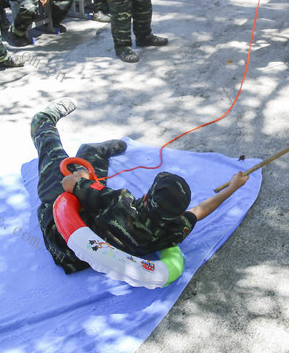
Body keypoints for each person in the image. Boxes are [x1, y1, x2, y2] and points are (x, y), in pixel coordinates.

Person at [30, 98, 250, 274]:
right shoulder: (172, 231)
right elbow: (200, 212)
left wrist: (83, 177)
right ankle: (98, 151)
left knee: (56, 157)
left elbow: (68, 183)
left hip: (61, 234)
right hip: (80, 260)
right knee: (88, 153)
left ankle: (44, 120)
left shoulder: (118, 202)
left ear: (146, 197)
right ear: (178, 212)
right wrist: (232, 188)